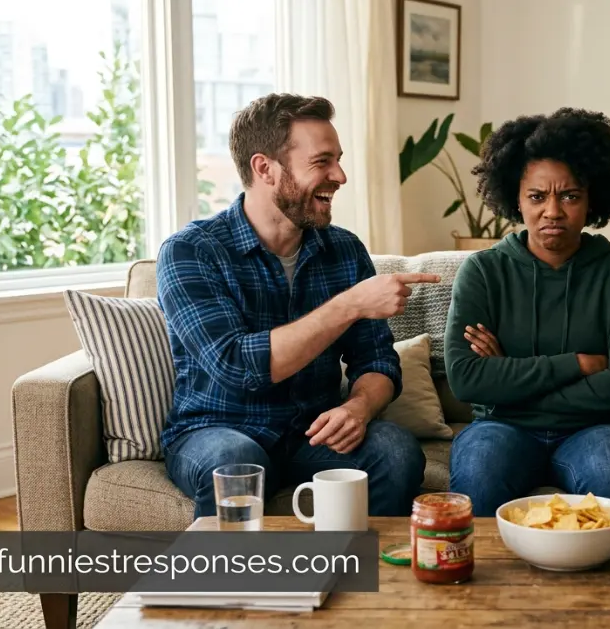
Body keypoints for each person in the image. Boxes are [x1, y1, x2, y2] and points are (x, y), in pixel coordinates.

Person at [157, 93, 434, 518]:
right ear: (264, 168)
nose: (340, 176)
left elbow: (377, 360)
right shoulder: (192, 251)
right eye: (322, 162)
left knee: (396, 451)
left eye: (338, 160)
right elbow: (237, 366)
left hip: (312, 433)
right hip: (217, 429)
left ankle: (353, 560)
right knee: (233, 459)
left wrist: (358, 407)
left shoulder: (344, 250)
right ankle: (227, 564)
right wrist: (350, 305)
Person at [444, 108, 610, 517]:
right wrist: (578, 364)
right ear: (516, 199)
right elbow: (467, 378)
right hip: (500, 428)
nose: (553, 211)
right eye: (537, 196)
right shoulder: (483, 271)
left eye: (570, 196)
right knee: (480, 467)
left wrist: (508, 377)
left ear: (592, 199)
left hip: (596, 430)